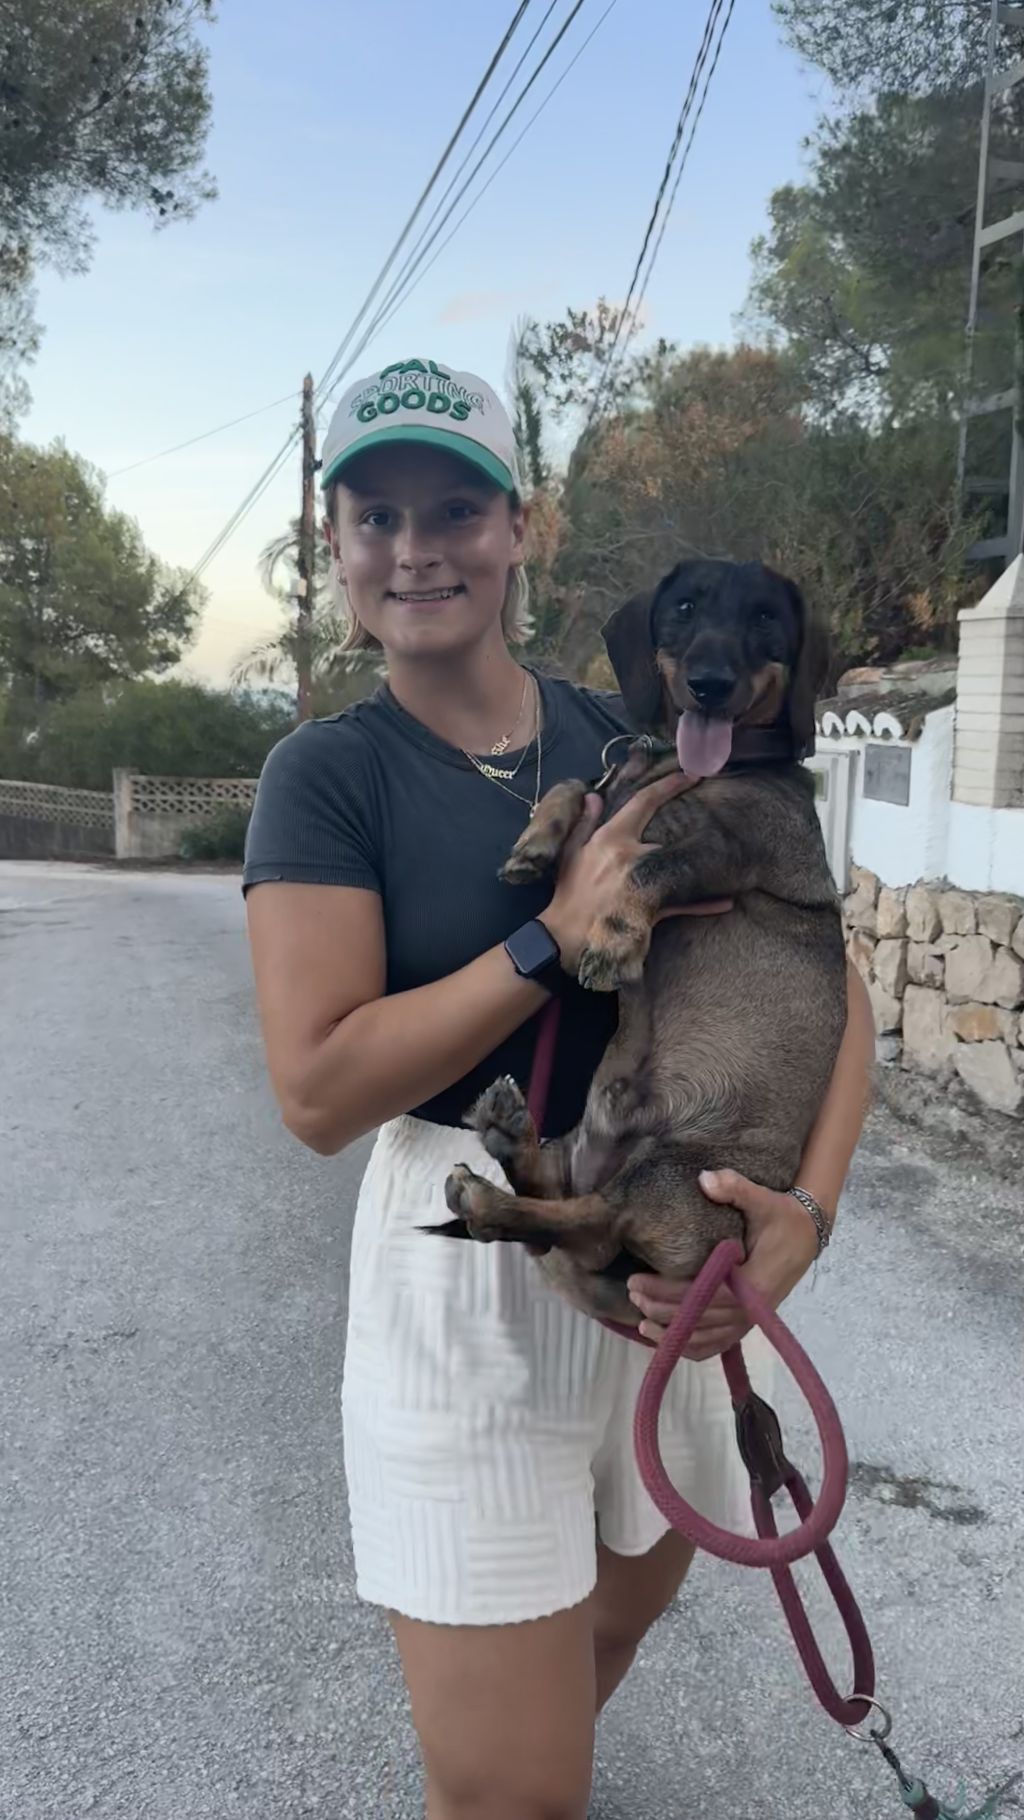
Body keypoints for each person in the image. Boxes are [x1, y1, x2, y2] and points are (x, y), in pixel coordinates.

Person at [243, 357, 874, 1820]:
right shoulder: (328, 774)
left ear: (518, 528)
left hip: (679, 1260)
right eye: (377, 516)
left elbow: (833, 994)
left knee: (615, 1616)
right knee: (514, 1796)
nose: (417, 549)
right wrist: (547, 937)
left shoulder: (641, 733)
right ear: (336, 546)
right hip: (475, 1251)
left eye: (455, 509)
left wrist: (806, 1215)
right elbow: (319, 1094)